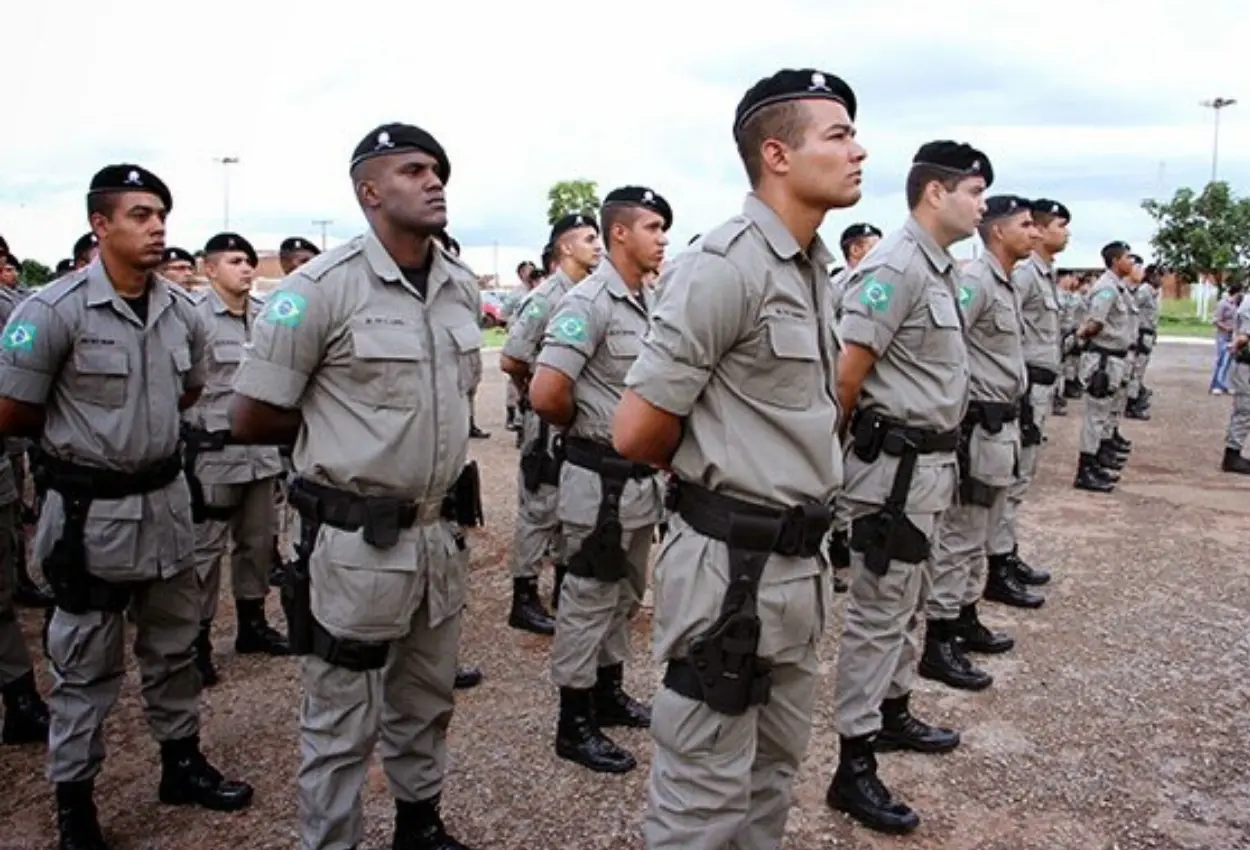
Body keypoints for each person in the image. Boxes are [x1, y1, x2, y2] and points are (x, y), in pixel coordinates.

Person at [613, 67, 863, 850]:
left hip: (796, 567)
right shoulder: (722, 264)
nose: (859, 150)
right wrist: (721, 485)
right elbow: (637, 431)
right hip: (728, 570)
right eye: (840, 134)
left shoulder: (815, 268)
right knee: (702, 799)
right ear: (778, 154)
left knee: (770, 778)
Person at [229, 123, 480, 850]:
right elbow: (252, 412)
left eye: (438, 170)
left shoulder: (459, 287)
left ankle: (418, 824)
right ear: (369, 192)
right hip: (352, 546)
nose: (433, 181)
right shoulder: (319, 290)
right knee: (341, 719)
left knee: (426, 700)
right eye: (412, 170)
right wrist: (345, 442)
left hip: (436, 535)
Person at [0, 163, 254, 850]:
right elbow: (14, 410)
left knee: (173, 649)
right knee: (85, 666)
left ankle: (181, 763)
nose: (156, 227)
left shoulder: (182, 313)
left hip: (166, 502)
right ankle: (75, 803)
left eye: (161, 215)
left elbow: (189, 392)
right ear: (100, 224)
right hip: (89, 517)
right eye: (139, 215)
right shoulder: (51, 311)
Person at [828, 140, 989, 834]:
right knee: (875, 614)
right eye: (975, 192)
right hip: (890, 476)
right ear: (935, 193)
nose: (982, 206)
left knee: (904, 607)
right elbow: (844, 375)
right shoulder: (895, 266)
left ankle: (890, 715)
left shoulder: (941, 269)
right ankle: (852, 764)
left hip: (927, 469)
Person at [530, 186, 670, 774]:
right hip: (598, 481)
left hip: (639, 483)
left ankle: (609, 693)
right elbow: (545, 392)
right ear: (620, 233)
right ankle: (574, 719)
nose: (662, 238)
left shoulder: (652, 299)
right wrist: (586, 434)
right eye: (653, 227)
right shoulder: (587, 303)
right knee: (586, 599)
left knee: (624, 594)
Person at [921, 195, 1033, 694]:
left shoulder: (1002, 282)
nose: (1033, 233)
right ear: (997, 232)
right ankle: (939, 638)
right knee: (962, 533)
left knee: (981, 528)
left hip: (999, 427)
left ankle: (964, 616)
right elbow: (950, 348)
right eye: (1025, 225)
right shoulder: (975, 282)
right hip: (976, 426)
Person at [182, 232, 290, 687]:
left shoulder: (265, 318)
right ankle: (198, 640)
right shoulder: (194, 319)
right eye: (234, 261)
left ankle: (252, 625)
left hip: (259, 455)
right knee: (205, 552)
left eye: (249, 261)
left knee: (257, 543)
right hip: (214, 455)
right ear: (209, 269)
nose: (246, 268)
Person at [499, 214, 602, 632]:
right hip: (545, 425)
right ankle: (523, 598)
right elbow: (511, 357)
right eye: (589, 239)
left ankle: (563, 588)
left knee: (567, 507)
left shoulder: (589, 293)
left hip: (572, 422)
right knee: (539, 508)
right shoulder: (545, 297)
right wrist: (536, 394)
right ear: (565, 248)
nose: (598, 246)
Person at [983, 198, 1072, 603]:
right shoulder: (1020, 278)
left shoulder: (1043, 276)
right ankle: (996, 561)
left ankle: (1005, 551)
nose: (1047, 233)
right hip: (1021, 390)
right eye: (1055, 225)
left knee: (1019, 479)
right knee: (1008, 481)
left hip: (1036, 387)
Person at [827, 221, 884, 595]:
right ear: (856, 251)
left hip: (866, 400)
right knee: (832, 475)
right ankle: (831, 540)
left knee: (853, 476)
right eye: (873, 246)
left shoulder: (879, 286)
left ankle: (843, 537)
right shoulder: (838, 288)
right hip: (841, 394)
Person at [1073, 241, 1137, 492]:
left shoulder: (1117, 288)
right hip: (1103, 359)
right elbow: (1095, 323)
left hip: (1113, 358)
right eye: (1127, 258)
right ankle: (1085, 470)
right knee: (1095, 416)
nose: (1131, 263)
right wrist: (1081, 338)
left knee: (1103, 414)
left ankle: (1096, 461)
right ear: (1115, 261)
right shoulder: (1107, 289)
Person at [1125, 263, 1161, 419]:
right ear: (1152, 276)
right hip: (1141, 334)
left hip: (1147, 335)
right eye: (1159, 276)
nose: (1161, 280)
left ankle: (1135, 398)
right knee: (1136, 372)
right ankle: (1132, 404)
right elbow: (1131, 310)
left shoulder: (1151, 293)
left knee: (1140, 371)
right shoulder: (1144, 291)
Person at [1211, 283, 1242, 394]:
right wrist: (1227, 328)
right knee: (1221, 360)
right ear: (1237, 292)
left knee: (1229, 362)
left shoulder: (1237, 305)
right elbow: (1215, 320)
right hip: (1223, 336)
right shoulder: (1223, 304)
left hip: (1233, 336)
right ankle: (1216, 385)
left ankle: (1225, 384)